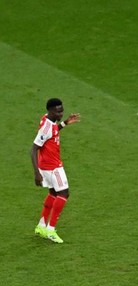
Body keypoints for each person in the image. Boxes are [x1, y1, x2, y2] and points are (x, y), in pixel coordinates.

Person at [30, 98, 81, 243]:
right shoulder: (46, 127)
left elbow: (52, 132)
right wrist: (36, 173)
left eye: (62, 110)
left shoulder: (47, 120)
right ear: (51, 111)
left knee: (53, 193)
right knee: (64, 193)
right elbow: (33, 149)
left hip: (46, 165)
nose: (61, 113)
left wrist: (64, 123)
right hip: (53, 167)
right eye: (58, 112)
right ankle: (51, 230)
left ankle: (41, 226)